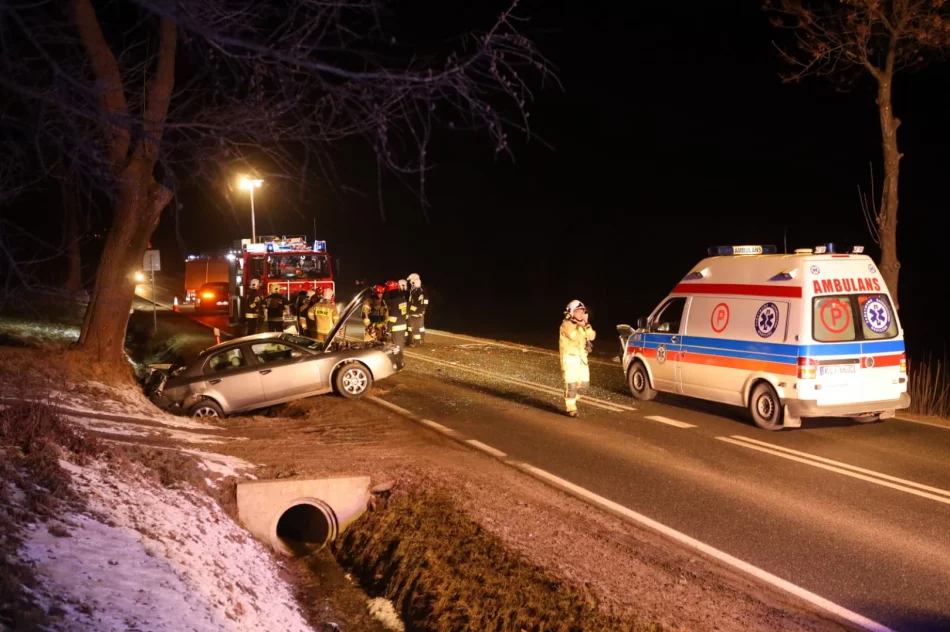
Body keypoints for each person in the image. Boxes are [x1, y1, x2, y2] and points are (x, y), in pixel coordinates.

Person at [559, 299, 596, 418]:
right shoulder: (566, 324)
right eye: (578, 311)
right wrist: (579, 326)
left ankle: (571, 397)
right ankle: (571, 408)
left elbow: (592, 336)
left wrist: (586, 325)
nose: (581, 314)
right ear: (571, 312)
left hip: (582, 360)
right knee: (571, 386)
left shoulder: (583, 325)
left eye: (582, 311)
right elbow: (572, 336)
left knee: (584, 386)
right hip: (569, 360)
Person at [383, 279, 408, 348]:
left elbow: (393, 318)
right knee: (400, 346)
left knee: (397, 348)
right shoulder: (403, 299)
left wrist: (388, 330)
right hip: (403, 326)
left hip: (396, 328)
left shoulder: (394, 302)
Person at [406, 273, 428, 346]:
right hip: (418, 311)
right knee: (420, 327)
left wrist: (409, 310)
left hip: (415, 312)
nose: (410, 283)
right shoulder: (418, 289)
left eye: (411, 281)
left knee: (415, 328)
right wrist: (423, 308)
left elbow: (417, 303)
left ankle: (417, 342)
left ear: (414, 281)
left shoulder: (418, 291)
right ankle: (421, 340)